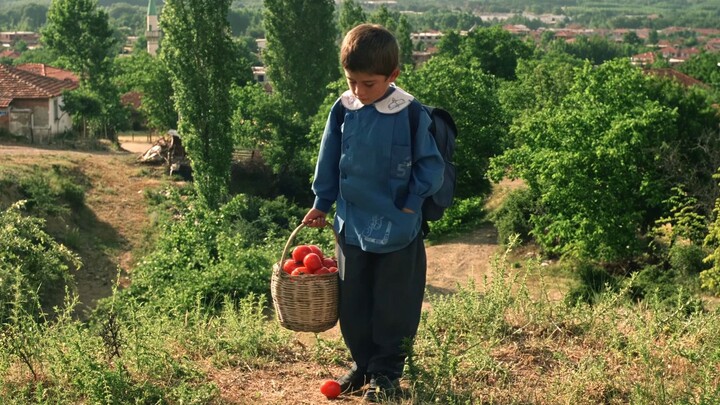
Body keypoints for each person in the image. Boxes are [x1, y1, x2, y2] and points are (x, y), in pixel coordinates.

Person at [302, 23, 445, 402]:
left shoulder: (410, 113)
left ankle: (386, 373)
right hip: (351, 225)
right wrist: (321, 203)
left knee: (393, 303)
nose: (359, 92)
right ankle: (362, 365)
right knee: (354, 302)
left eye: (369, 84)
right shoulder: (344, 108)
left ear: (393, 76)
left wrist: (412, 203)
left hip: (398, 226)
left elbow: (430, 166)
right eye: (352, 82)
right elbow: (329, 158)